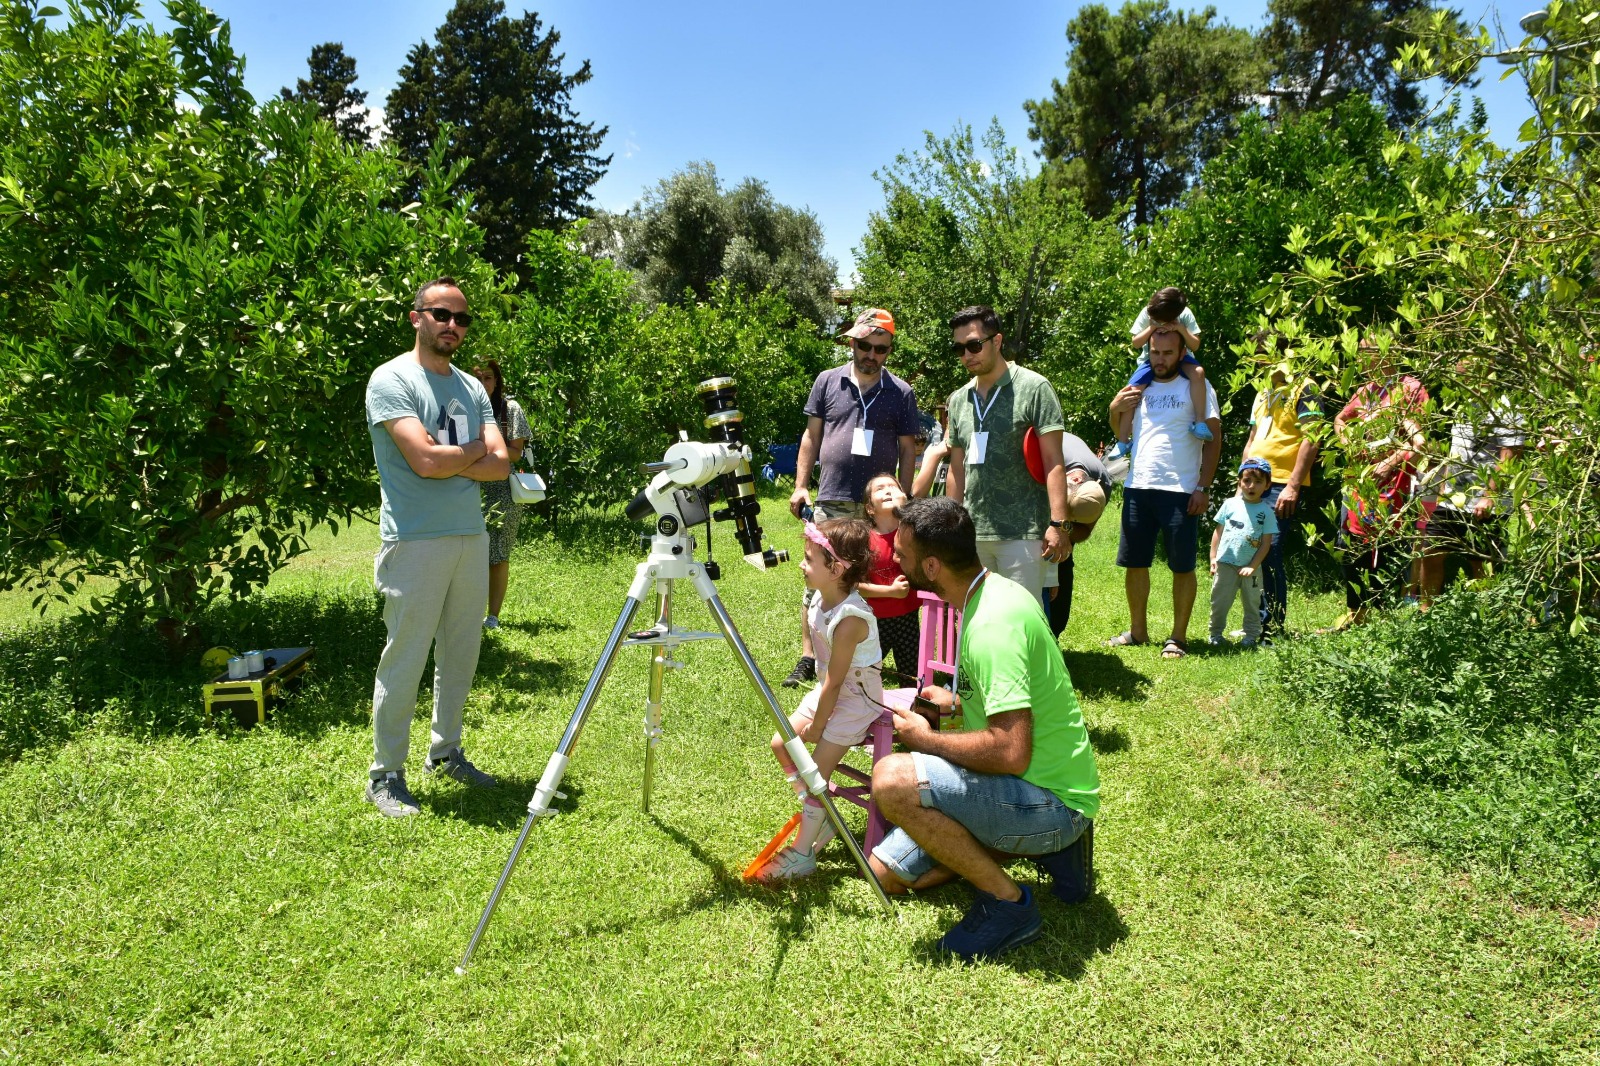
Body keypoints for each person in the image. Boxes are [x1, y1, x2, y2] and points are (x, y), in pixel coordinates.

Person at [868, 497, 1100, 963]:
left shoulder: (993, 624)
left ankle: (1009, 904)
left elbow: (1010, 750)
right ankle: (1042, 852)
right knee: (883, 873)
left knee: (894, 781)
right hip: (1019, 786)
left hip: (1048, 797)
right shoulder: (992, 592)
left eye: (904, 553)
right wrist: (955, 703)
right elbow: (1015, 704)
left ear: (932, 566)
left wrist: (925, 740)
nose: (895, 557)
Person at [362, 277, 508, 817]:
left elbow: (500, 464)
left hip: (470, 535)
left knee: (461, 653)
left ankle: (446, 753)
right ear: (416, 317)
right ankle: (386, 774)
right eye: (442, 314)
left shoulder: (471, 386)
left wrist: (452, 457)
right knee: (406, 657)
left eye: (462, 319)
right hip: (414, 541)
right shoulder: (391, 380)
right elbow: (422, 461)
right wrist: (466, 455)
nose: (453, 326)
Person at [782, 308, 919, 688]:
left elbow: (908, 449)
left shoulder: (901, 392)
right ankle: (811, 657)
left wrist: (901, 498)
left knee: (874, 576)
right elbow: (811, 437)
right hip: (833, 498)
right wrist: (800, 484)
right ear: (852, 342)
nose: (871, 354)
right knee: (821, 582)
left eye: (881, 348)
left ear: (889, 350)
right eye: (864, 345)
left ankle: (862, 651)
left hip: (877, 507)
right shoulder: (827, 381)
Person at [757, 518, 883, 881]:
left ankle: (803, 854)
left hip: (856, 699)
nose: (801, 565)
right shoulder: (818, 599)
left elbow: (836, 681)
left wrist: (819, 724)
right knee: (781, 743)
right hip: (830, 690)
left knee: (814, 773)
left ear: (836, 569)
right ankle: (820, 812)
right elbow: (827, 679)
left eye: (809, 559)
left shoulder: (850, 620)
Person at [943, 305, 1073, 603]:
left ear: (997, 341)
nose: (967, 355)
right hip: (972, 532)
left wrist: (1058, 525)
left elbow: (1054, 462)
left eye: (974, 345)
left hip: (1023, 531)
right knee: (975, 619)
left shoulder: (1034, 387)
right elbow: (957, 469)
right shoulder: (959, 399)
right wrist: (950, 527)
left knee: (1022, 620)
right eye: (959, 349)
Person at [1107, 327, 1222, 659]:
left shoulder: (1197, 387)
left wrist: (1203, 486)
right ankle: (1138, 631)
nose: (1160, 359)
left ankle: (1178, 637)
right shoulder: (1140, 385)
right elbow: (1122, 436)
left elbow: (1214, 440)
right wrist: (1116, 408)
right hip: (1138, 485)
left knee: (1182, 566)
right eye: (1155, 352)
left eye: (1168, 353)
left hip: (1180, 489)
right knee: (1135, 563)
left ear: (1182, 352)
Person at [1331, 350, 1428, 629]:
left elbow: (1421, 440)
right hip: (1359, 483)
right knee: (1350, 548)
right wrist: (1349, 442)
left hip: (1394, 486)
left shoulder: (1411, 388)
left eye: (1366, 352)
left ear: (1386, 352)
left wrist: (1389, 462)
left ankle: (1386, 623)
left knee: (1387, 550)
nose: (1360, 359)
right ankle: (1357, 617)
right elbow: (1340, 419)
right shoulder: (1366, 390)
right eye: (1358, 353)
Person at [1240, 350, 1324, 640]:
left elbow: (1313, 438)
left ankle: (1272, 627)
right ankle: (1254, 622)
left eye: (1262, 356)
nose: (1256, 362)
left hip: (1280, 484)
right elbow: (1252, 440)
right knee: (1250, 552)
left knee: (1269, 551)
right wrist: (1243, 478)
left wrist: (1293, 484)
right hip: (1254, 482)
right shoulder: (1262, 391)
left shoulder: (1307, 386)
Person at [1416, 387, 1524, 600]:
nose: (1458, 366)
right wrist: (1443, 486)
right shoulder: (1462, 401)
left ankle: (1487, 616)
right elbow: (1458, 449)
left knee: (1481, 560)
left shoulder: (1505, 407)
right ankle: (1425, 612)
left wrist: (1489, 496)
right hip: (1452, 497)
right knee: (1431, 550)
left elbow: (1510, 456)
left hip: (1484, 500)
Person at [1107, 286, 1209, 460]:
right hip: (1150, 361)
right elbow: (1136, 343)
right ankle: (1123, 441)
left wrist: (1180, 329)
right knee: (1131, 393)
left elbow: (1195, 345)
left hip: (1182, 358)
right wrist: (1152, 327)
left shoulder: (1184, 314)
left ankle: (1200, 422)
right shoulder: (1148, 313)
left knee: (1198, 373)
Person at [471, 359, 531, 631]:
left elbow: (516, 452)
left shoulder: (510, 409)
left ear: (497, 381)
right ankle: (468, 613)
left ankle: (492, 616)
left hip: (502, 492)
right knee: (468, 554)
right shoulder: (463, 408)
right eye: (478, 377)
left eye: (488, 378)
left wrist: (480, 451)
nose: (484, 384)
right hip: (468, 488)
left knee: (498, 554)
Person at [1046, 434, 1112, 638]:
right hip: (1044, 476)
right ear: (1073, 479)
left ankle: (1054, 629)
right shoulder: (1047, 459)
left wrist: (1065, 532)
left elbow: (1085, 530)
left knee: (1062, 560)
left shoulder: (1102, 487)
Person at [1208, 458, 1278, 648]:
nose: (1251, 486)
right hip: (1226, 564)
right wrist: (1213, 557)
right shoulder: (1230, 504)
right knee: (1219, 601)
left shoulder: (1267, 512)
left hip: (1251, 568)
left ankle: (1251, 636)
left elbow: (1265, 544)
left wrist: (1252, 566)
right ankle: (1215, 634)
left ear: (1267, 485)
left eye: (1258, 482)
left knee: (1252, 604)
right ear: (1239, 481)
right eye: (1247, 480)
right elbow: (1218, 532)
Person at [858, 473, 919, 681]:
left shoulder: (912, 532)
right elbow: (855, 585)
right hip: (875, 620)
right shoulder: (863, 539)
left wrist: (905, 509)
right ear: (869, 508)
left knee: (911, 676)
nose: (888, 490)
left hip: (908, 617)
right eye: (880, 488)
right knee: (865, 672)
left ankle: (911, 706)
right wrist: (890, 592)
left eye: (893, 486)